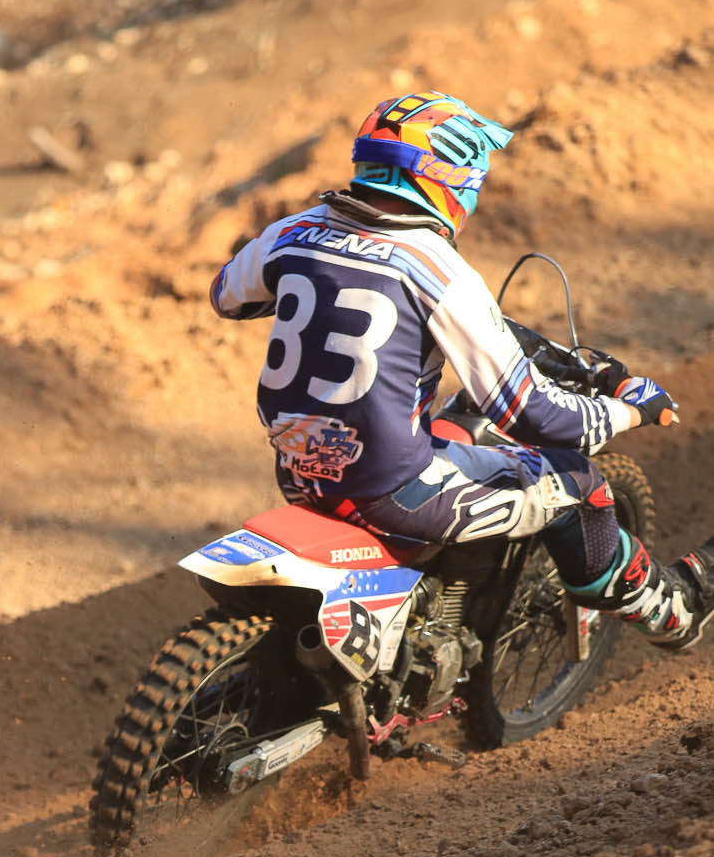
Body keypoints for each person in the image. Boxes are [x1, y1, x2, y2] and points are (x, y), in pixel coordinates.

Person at [209, 89, 714, 650]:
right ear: (448, 181)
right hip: (392, 492)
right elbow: (534, 416)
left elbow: (227, 297)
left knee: (454, 425)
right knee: (578, 482)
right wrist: (627, 411)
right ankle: (672, 611)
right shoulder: (438, 268)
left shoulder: (293, 231)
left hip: (301, 473)